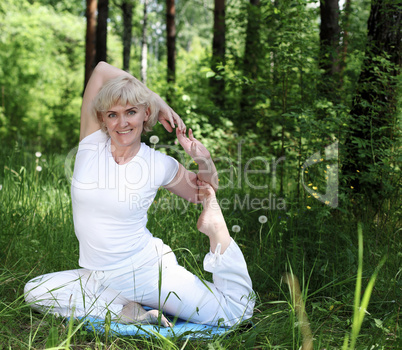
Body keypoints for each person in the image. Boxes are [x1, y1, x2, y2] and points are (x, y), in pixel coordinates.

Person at [24, 62, 254, 327]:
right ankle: (126, 310)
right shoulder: (90, 144)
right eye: (112, 114)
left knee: (236, 313)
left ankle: (218, 230)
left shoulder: (158, 164)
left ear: (145, 114)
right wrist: (157, 99)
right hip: (98, 276)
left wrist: (205, 160)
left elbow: (203, 192)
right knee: (35, 291)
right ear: (102, 118)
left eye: (131, 112)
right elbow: (100, 70)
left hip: (147, 272)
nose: (122, 123)